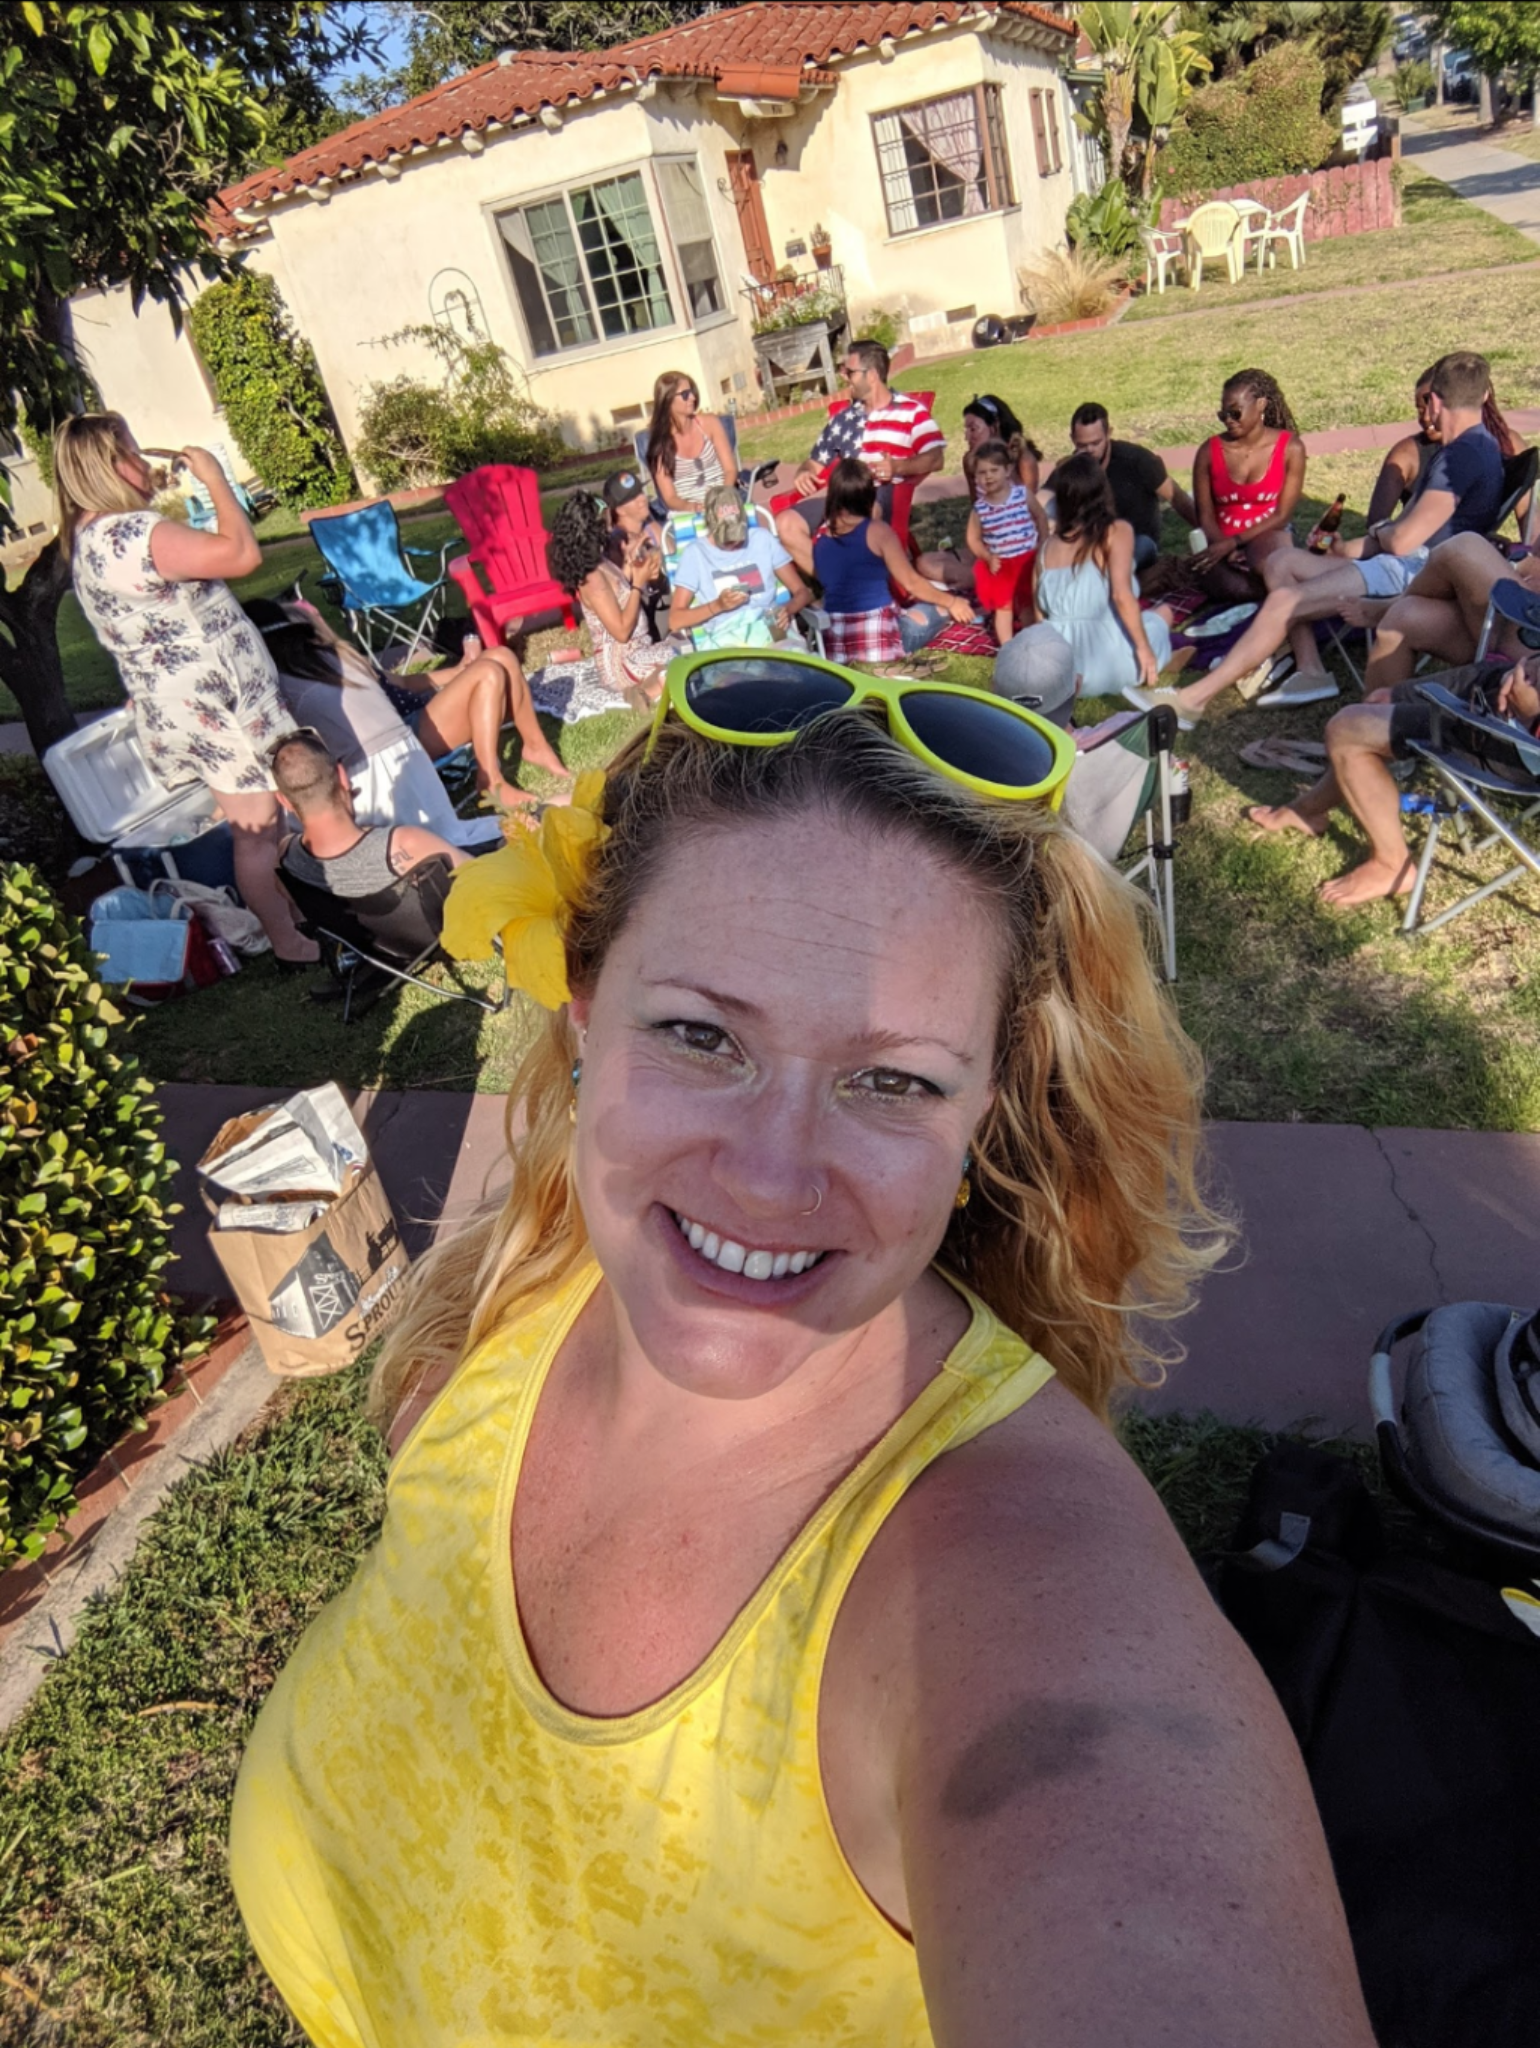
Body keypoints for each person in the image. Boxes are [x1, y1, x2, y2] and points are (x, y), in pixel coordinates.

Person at [230, 670, 1377, 2048]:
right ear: (587, 1015)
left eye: (892, 1080)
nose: (769, 1178)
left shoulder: (1029, 1610)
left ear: (984, 1114)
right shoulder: (536, 1273)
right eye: (700, 1033)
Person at [59, 412, 316, 967]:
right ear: (110, 465)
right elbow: (242, 554)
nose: (142, 462)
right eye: (132, 452)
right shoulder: (134, 534)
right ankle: (288, 941)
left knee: (262, 821)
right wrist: (215, 479)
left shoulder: (87, 541)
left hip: (185, 703)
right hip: (213, 704)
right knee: (256, 828)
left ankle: (296, 917)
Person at [1140, 352, 1507, 726]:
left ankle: (1193, 700)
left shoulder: (1462, 456)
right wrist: (1343, 549)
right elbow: (1401, 536)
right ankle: (1311, 672)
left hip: (1410, 572)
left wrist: (1380, 530)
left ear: (1435, 401)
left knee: (1284, 601)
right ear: (1483, 397)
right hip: (1404, 565)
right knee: (1283, 562)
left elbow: (1401, 541)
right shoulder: (1474, 447)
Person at [1247, 653, 1540, 907]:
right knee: (1383, 698)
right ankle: (1308, 810)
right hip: (1501, 684)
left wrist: (1530, 708)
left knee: (1348, 728)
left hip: (1520, 745)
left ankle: (1391, 864)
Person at [246, 598, 557, 834]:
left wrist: (459, 672)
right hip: (409, 732)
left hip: (408, 726)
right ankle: (491, 778)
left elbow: (405, 682)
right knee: (490, 670)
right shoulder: (330, 661)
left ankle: (535, 747)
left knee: (498, 658)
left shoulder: (320, 669)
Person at [774, 338, 945, 574]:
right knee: (786, 524)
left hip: (883, 496)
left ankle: (852, 582)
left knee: (859, 517)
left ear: (872, 375)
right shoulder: (844, 419)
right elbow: (814, 462)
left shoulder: (911, 412)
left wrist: (898, 467)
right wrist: (804, 472)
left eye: (850, 372)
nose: (844, 376)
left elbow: (936, 458)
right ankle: (834, 583)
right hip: (843, 499)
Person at [272, 729, 467, 902]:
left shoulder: (287, 857)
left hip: (349, 934)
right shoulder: (407, 844)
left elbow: (286, 893)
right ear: (342, 776)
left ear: (284, 801)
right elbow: (480, 879)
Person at [812, 458, 972, 669]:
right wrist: (952, 602)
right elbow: (911, 582)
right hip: (878, 644)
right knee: (938, 609)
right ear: (868, 494)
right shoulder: (878, 532)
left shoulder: (821, 541)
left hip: (837, 646)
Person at [1036, 452, 1173, 693]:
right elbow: (1122, 595)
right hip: (1110, 664)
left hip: (1063, 673)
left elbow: (1038, 615)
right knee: (1163, 613)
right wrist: (1143, 649)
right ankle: (1156, 658)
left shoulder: (1045, 548)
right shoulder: (1115, 531)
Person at [1345, 529, 1540, 693]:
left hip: (1531, 646)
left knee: (1463, 548)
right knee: (1405, 616)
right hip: (1523, 627)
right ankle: (1375, 720)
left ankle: (1390, 603)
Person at [547, 486, 689, 708]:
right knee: (687, 652)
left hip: (638, 652)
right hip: (623, 664)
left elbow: (618, 589)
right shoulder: (592, 580)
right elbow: (621, 632)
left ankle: (654, 680)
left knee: (686, 642)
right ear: (593, 529)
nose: (610, 526)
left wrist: (632, 565)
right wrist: (638, 584)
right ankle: (648, 689)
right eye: (605, 522)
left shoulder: (599, 561)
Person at [1188, 370, 1306, 604]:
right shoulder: (1208, 451)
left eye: (1235, 412)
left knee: (1271, 570)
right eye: (1223, 414)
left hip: (1268, 531)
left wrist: (1234, 542)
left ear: (1261, 404)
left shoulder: (1291, 448)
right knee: (1233, 588)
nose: (1228, 420)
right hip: (1220, 537)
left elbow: (1282, 516)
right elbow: (1205, 515)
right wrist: (1223, 545)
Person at [916, 394, 1044, 597]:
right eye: (966, 430)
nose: (967, 436)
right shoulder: (970, 461)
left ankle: (991, 582)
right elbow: (978, 510)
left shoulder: (1022, 459)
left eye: (973, 429)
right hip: (990, 550)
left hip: (1020, 549)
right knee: (924, 563)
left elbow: (1031, 514)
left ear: (994, 426)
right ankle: (986, 580)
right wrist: (983, 553)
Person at [667, 484, 813, 651]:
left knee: (795, 662)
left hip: (770, 629)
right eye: (727, 538)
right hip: (726, 638)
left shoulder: (762, 540)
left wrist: (787, 610)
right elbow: (675, 620)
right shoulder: (696, 554)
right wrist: (718, 606)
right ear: (710, 525)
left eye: (738, 533)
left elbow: (802, 592)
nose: (735, 542)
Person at [1054, 402, 1199, 569]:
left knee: (1134, 550)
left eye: (1096, 443)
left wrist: (1209, 534)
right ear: (1072, 439)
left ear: (1108, 433)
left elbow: (1177, 498)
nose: (1090, 450)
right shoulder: (1071, 470)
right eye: (1082, 445)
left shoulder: (1137, 460)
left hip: (1138, 542)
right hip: (1095, 546)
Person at [967, 436, 1043, 646]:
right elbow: (972, 538)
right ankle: (1008, 647)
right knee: (1004, 608)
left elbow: (1040, 516)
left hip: (1027, 560)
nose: (988, 477)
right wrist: (986, 556)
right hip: (1001, 564)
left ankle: (1034, 643)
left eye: (994, 470)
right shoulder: (980, 508)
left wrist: (1043, 542)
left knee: (1027, 605)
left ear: (1007, 470)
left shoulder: (1021, 494)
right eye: (982, 472)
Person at [644, 370, 737, 514]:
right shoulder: (660, 443)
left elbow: (730, 470)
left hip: (724, 503)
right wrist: (693, 507)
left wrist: (722, 497)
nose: (693, 397)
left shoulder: (710, 424)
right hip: (689, 513)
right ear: (668, 400)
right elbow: (670, 497)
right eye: (685, 394)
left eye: (692, 391)